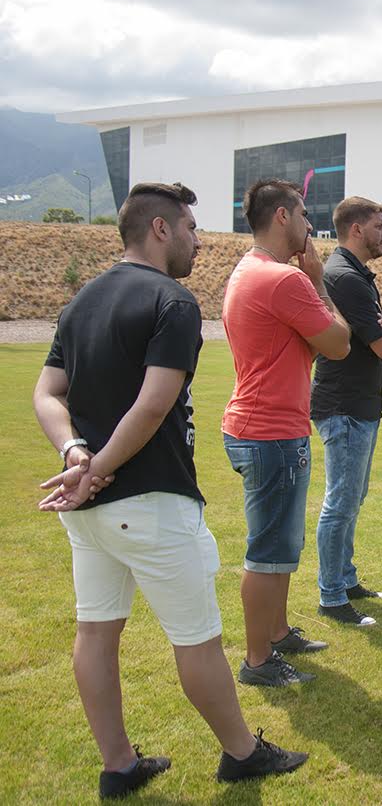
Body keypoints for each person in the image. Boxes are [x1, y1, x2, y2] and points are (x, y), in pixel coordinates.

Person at [33, 182, 307, 799]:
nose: (197, 240)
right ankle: (242, 753)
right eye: (188, 227)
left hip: (92, 510)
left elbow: (47, 394)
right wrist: (96, 465)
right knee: (198, 640)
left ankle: (119, 765)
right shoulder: (173, 301)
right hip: (150, 501)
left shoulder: (81, 303)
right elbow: (156, 404)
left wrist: (77, 457)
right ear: (160, 230)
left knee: (95, 632)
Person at [222, 179, 351, 687]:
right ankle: (258, 660)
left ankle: (276, 633)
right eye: (303, 215)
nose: (309, 226)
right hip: (271, 431)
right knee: (268, 550)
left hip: (261, 426)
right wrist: (318, 281)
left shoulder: (247, 272)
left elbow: (306, 347)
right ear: (282, 216)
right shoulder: (286, 280)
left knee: (281, 544)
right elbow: (339, 343)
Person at [310, 197, 382, 627]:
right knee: (341, 502)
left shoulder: (353, 274)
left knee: (352, 498)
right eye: (380, 225)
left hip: (357, 404)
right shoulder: (344, 277)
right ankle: (331, 595)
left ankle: (345, 579)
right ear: (356, 229)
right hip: (344, 404)